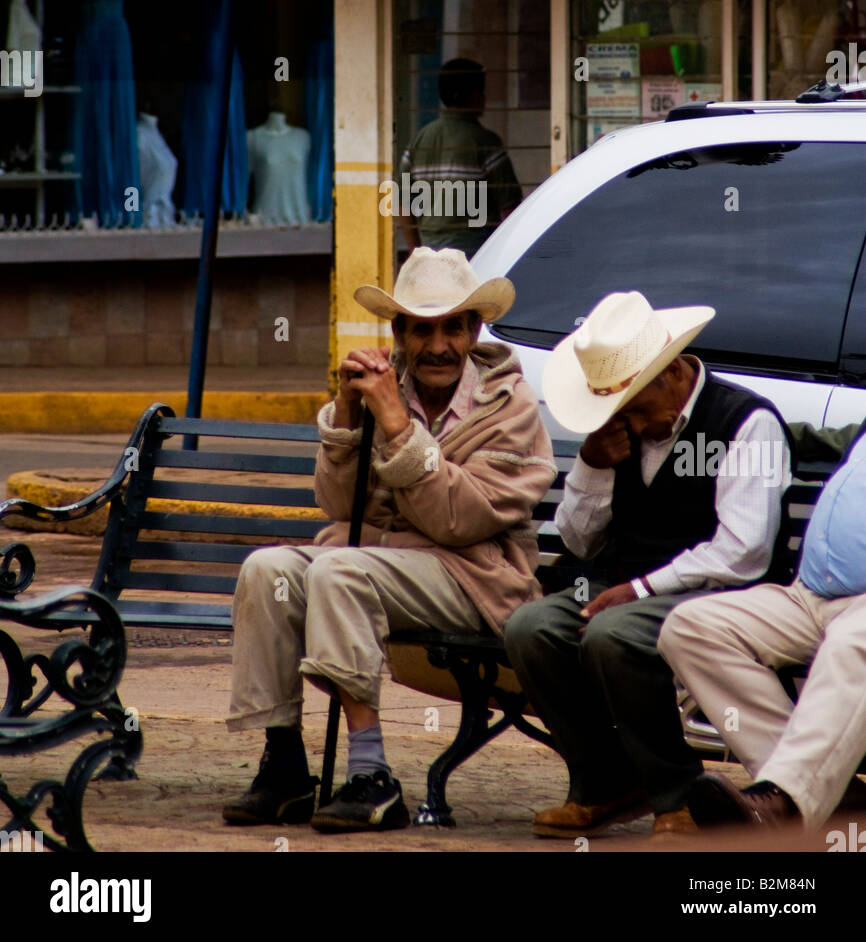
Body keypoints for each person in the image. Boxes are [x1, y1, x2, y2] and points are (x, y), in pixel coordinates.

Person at [223, 247, 556, 834]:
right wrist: (350, 418)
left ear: (474, 329)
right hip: (383, 559)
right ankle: (285, 768)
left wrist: (398, 428)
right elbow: (337, 505)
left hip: (471, 575)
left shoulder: (509, 403)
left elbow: (463, 520)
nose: (438, 346)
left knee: (339, 571)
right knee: (266, 570)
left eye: (452, 327)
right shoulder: (384, 387)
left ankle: (372, 778)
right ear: (398, 332)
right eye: (421, 329)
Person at [504, 290, 793, 838]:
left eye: (637, 408)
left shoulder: (746, 421)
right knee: (531, 627)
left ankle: (678, 792)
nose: (631, 427)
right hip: (627, 588)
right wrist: (589, 466)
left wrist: (640, 588)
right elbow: (577, 542)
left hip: (722, 596)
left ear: (674, 371)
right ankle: (608, 781)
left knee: (614, 634)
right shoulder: (622, 429)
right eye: (620, 411)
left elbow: (743, 552)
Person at [658, 418, 866, 833]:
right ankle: (833, 800)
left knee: (852, 645)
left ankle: (783, 804)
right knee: (691, 626)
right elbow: (813, 438)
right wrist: (743, 424)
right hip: (810, 595)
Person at [398, 58, 522, 256]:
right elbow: (510, 209)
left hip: (429, 256)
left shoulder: (418, 141)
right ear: (472, 95)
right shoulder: (486, 142)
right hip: (476, 255)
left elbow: (404, 205)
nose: (484, 97)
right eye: (481, 91)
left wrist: (416, 253)